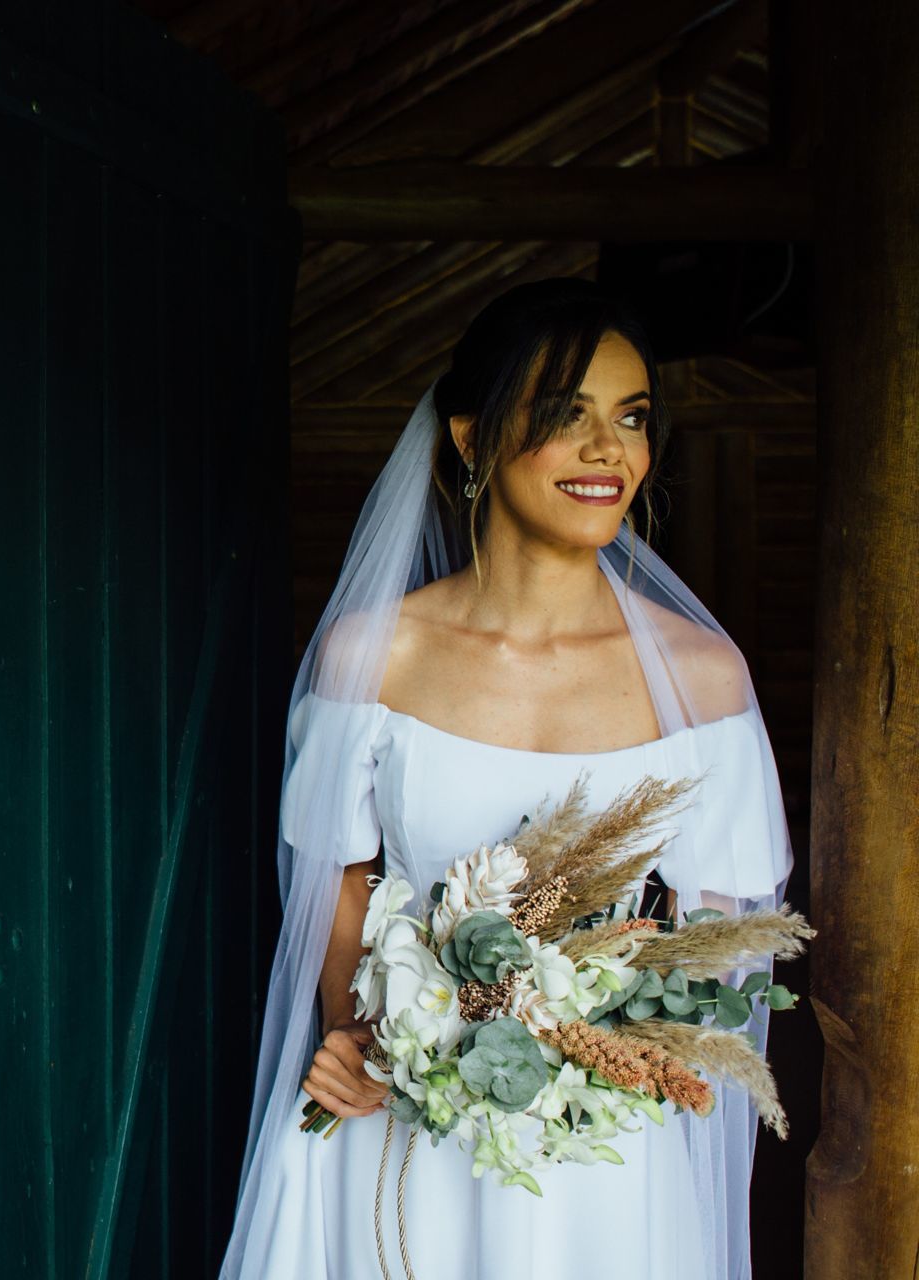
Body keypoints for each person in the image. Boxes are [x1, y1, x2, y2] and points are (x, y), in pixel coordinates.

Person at [217, 278, 793, 1280]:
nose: (608, 449)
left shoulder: (701, 678)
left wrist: (602, 1028)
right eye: (566, 415)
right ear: (472, 438)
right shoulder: (374, 659)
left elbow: (726, 930)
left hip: (599, 1147)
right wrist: (358, 1032)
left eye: (631, 417)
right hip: (401, 1119)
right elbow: (337, 879)